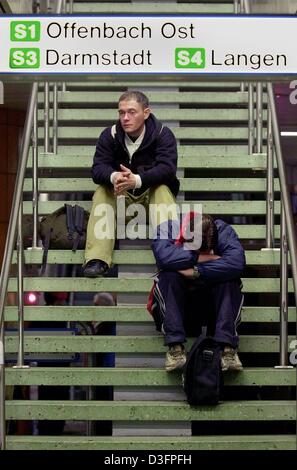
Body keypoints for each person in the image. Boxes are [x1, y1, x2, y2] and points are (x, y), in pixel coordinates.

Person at [83, 90, 179, 277]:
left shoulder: (162, 134)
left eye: (132, 112)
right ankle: (97, 259)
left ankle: (170, 257)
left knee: (162, 189)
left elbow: (167, 169)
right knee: (103, 190)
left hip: (152, 202)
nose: (125, 118)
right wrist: (114, 176)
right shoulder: (109, 135)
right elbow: (97, 168)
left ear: (146, 113)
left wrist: (137, 180)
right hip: (121, 200)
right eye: (121, 112)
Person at [149, 213, 245, 373]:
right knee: (168, 276)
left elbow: (237, 263)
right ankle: (175, 349)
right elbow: (164, 258)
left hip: (211, 313)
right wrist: (204, 257)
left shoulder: (223, 231)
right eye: (195, 250)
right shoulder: (168, 228)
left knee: (230, 279)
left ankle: (228, 350)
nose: (202, 253)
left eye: (206, 251)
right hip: (176, 311)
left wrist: (196, 271)